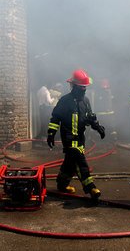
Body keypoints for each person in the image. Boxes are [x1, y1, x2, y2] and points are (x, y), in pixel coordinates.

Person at [47, 69, 106, 199]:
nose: (83, 90)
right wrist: (51, 133)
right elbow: (56, 117)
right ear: (73, 86)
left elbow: (90, 117)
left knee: (70, 162)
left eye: (85, 88)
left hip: (80, 137)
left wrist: (98, 127)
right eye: (81, 87)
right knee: (80, 161)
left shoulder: (86, 101)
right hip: (69, 137)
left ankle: (62, 184)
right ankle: (90, 187)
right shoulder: (65, 100)